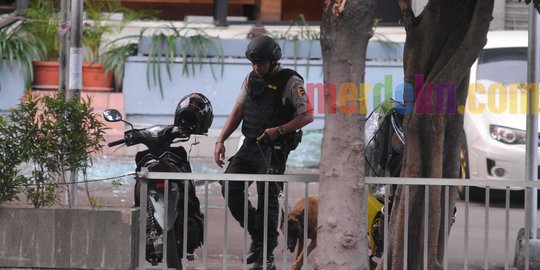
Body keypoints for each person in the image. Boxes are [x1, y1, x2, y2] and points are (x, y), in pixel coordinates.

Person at [213, 35, 313, 270]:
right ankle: (261, 238)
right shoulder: (251, 78)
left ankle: (266, 255)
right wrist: (221, 139)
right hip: (249, 145)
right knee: (230, 186)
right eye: (253, 64)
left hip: (274, 149)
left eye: (261, 63)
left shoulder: (290, 81)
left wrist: (278, 131)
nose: (257, 68)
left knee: (267, 199)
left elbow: (307, 115)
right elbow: (238, 110)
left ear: (273, 59)